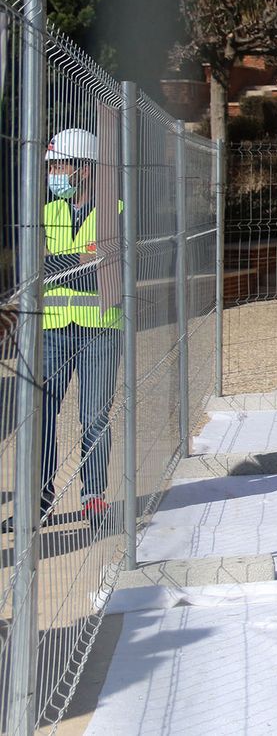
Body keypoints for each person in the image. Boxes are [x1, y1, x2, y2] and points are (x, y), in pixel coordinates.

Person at [34, 128, 120, 525]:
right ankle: (39, 498)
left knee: (95, 416)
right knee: (39, 412)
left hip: (100, 328)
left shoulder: (115, 212)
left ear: (83, 169)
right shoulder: (45, 213)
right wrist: (82, 260)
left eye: (59, 165)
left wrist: (62, 264)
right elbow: (37, 269)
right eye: (50, 165)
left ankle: (93, 496)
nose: (52, 173)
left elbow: (107, 270)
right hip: (52, 328)